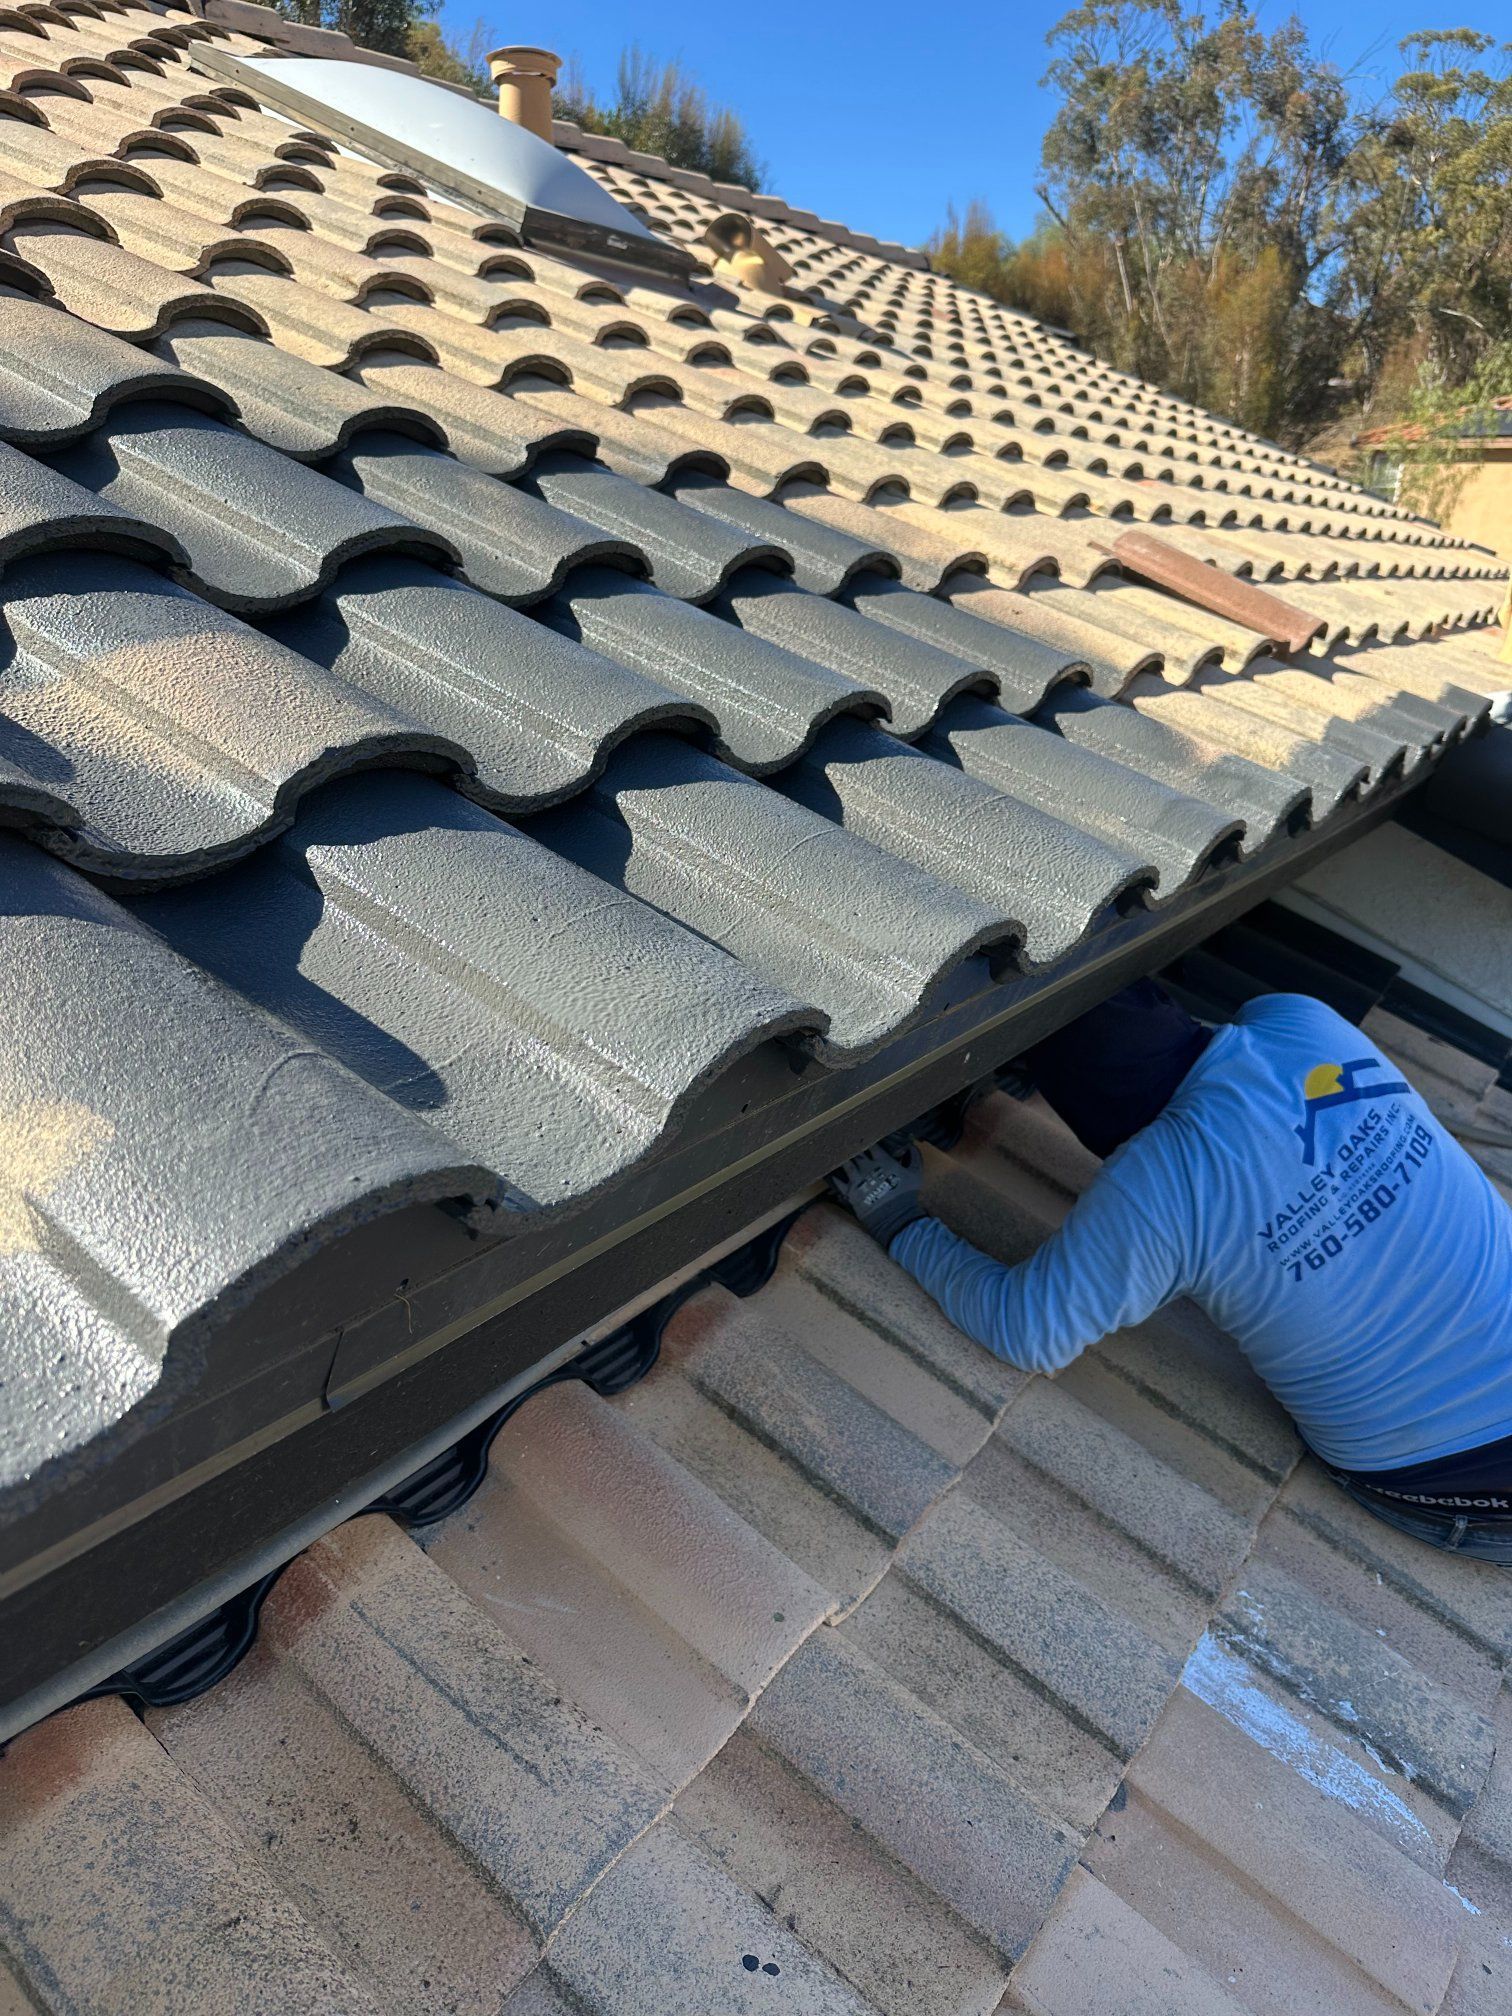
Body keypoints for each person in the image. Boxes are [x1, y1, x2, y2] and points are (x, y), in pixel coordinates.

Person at [831, 980, 1512, 1559]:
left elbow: (1025, 1329)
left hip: (1446, 1467)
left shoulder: (1158, 1179)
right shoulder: (1303, 1019)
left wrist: (897, 1219)